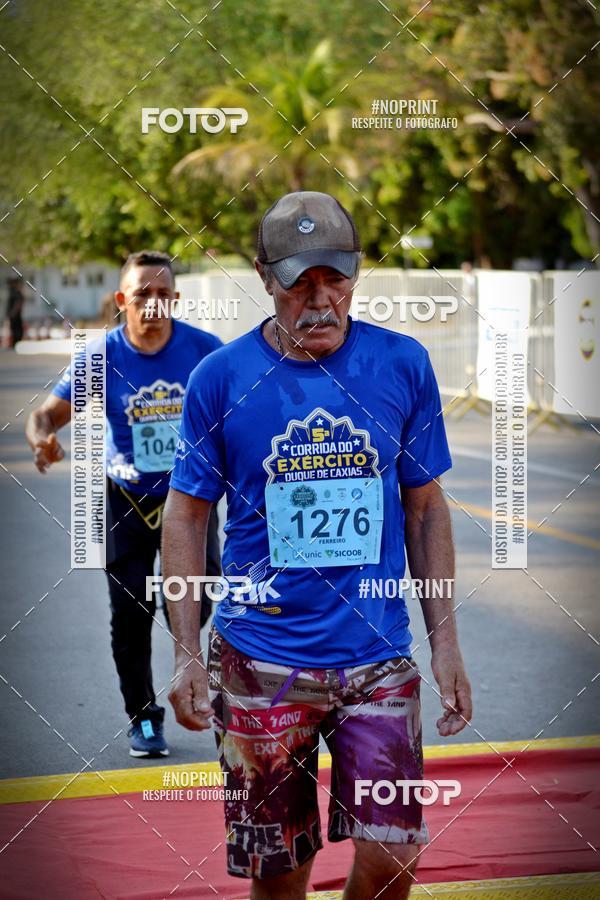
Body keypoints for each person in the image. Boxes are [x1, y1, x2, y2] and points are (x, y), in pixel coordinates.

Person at [163, 193, 472, 899]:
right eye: (300, 282)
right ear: (264, 276)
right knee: (281, 876)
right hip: (258, 665)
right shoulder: (222, 379)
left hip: (376, 657)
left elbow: (425, 510)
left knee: (393, 856)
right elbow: (185, 517)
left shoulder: (402, 364)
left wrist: (446, 642)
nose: (321, 300)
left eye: (336, 279)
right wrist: (185, 651)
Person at [26, 250, 222, 758]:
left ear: (175, 300)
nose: (153, 304)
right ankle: (144, 718)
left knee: (198, 600)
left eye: (163, 294)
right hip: (125, 503)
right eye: (142, 294)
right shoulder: (102, 358)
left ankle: (188, 655)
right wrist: (42, 438)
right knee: (129, 616)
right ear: (121, 301)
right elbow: (46, 415)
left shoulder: (205, 352)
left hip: (192, 502)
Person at [6, 277, 25, 347]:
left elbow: (18, 304)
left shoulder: (17, 293)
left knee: (16, 329)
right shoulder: (13, 292)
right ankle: (15, 343)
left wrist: (13, 313)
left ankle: (16, 343)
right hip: (14, 315)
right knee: (14, 329)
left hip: (15, 316)